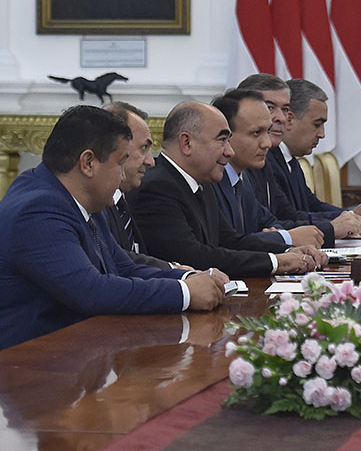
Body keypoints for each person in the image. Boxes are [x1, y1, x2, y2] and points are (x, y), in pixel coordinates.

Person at [0, 105, 224, 351]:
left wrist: (188, 277)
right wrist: (186, 293)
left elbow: (122, 266)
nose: (121, 177)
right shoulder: (37, 209)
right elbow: (92, 291)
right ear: (88, 163)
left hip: (77, 354)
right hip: (30, 367)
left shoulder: (81, 198)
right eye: (120, 163)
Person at [130, 101, 325, 278]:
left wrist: (287, 251)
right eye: (222, 140)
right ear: (187, 143)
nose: (229, 152)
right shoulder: (157, 187)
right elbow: (194, 257)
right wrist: (276, 262)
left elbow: (230, 241)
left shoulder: (202, 184)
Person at [237, 74, 361, 240]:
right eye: (270, 108)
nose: (281, 118)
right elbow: (271, 224)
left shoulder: (276, 160)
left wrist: (351, 218)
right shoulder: (250, 163)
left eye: (285, 110)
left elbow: (280, 218)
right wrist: (338, 224)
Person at [210, 89, 324, 248]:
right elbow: (227, 244)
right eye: (256, 133)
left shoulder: (243, 178)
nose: (267, 144)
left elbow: (268, 221)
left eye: (268, 131)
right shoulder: (210, 180)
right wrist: (284, 238)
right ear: (226, 135)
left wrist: (275, 233)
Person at [103, 101, 196, 271]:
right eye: (143, 148)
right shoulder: (96, 205)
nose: (151, 161)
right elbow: (115, 261)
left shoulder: (122, 201)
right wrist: (177, 273)